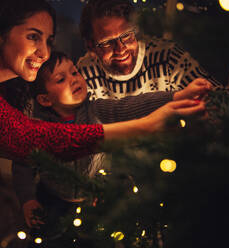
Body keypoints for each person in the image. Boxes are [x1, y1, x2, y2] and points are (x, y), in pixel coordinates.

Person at [0, 0, 205, 247]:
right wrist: (146, 127)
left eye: (49, 39)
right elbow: (27, 137)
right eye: (33, 36)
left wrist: (177, 96)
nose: (44, 53)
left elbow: (122, 107)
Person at [12, 51, 211, 238]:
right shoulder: (38, 129)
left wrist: (178, 96)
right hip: (50, 199)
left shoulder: (97, 110)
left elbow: (133, 105)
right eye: (61, 79)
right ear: (45, 100)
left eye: (74, 71)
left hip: (94, 199)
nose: (73, 78)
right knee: (48, 237)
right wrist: (28, 199)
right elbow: (23, 164)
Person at [77, 0, 223, 101]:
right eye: (108, 43)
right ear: (91, 47)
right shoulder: (84, 73)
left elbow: (222, 99)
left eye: (127, 35)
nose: (121, 48)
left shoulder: (168, 58)